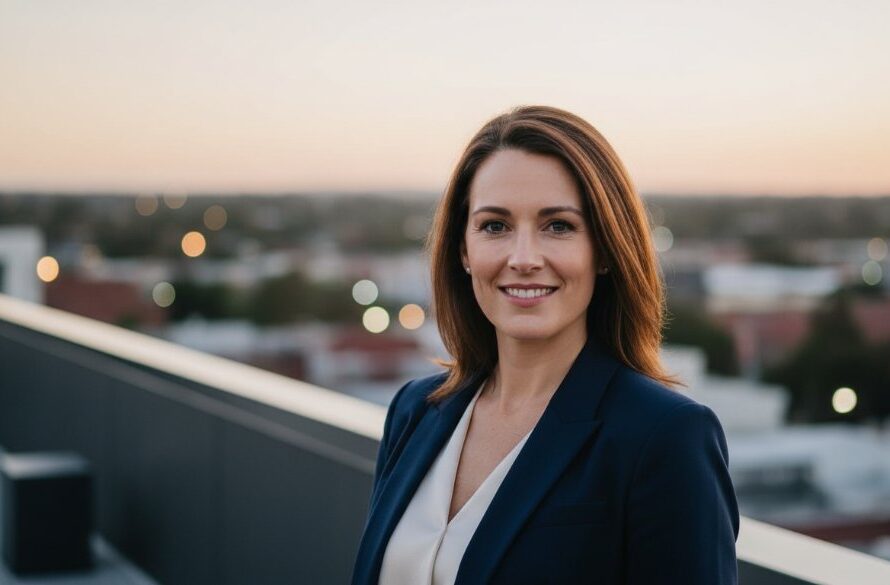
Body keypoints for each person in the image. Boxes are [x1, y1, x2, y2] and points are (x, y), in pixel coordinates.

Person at [350, 105, 739, 585]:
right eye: (495, 226)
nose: (524, 258)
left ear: (604, 251)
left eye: (558, 226)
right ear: (464, 251)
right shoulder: (415, 410)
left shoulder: (665, 437)